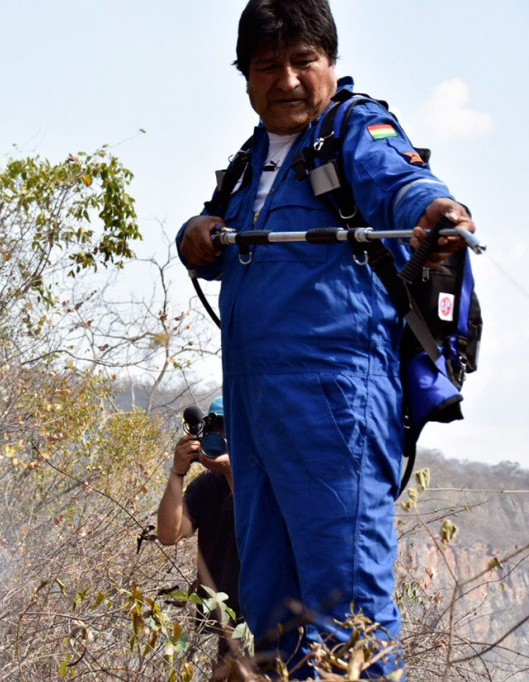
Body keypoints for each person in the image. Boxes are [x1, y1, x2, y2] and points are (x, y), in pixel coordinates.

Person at [175, 0, 475, 678]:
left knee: (347, 605)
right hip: (253, 410)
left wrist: (438, 212)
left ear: (330, 64)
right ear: (245, 76)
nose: (286, 79)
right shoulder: (252, 159)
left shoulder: (355, 129)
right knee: (270, 609)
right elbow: (211, 242)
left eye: (302, 61)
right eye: (267, 65)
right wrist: (196, 232)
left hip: (336, 402)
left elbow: (407, 185)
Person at [157, 397, 241, 661]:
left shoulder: (267, 480)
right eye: (214, 433)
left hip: (262, 618)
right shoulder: (206, 486)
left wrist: (231, 472)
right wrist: (177, 472)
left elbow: (254, 522)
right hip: (220, 622)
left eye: (228, 433)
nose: (220, 441)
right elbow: (169, 534)